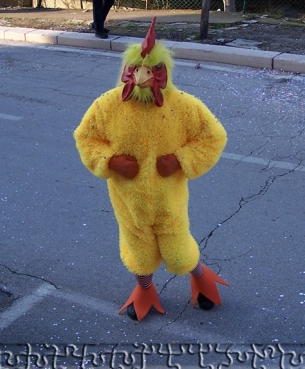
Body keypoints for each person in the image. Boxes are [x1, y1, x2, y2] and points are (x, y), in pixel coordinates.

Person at [74, 18, 229, 321]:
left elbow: (213, 136)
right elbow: (85, 137)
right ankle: (144, 290)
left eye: (153, 69)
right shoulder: (107, 105)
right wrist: (109, 161)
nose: (143, 76)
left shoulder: (184, 105)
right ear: (127, 71)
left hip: (168, 200)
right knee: (139, 255)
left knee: (179, 252)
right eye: (137, 69)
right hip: (128, 200)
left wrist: (182, 159)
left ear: (164, 72)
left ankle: (200, 276)